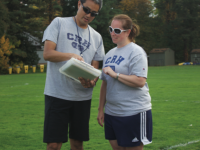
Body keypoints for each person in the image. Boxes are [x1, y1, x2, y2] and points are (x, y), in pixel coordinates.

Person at [42, 0, 104, 149]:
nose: (88, 15)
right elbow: (47, 53)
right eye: (86, 9)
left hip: (82, 97)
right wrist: (70, 56)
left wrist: (92, 82)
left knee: (77, 144)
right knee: (53, 145)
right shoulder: (59, 23)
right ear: (78, 4)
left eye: (93, 13)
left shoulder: (97, 37)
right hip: (57, 94)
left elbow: (95, 68)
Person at [97, 14, 152, 150]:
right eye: (111, 29)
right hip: (112, 113)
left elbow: (140, 81)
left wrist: (116, 75)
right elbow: (105, 83)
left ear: (127, 32)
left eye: (117, 31)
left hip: (134, 112)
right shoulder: (109, 54)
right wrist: (100, 110)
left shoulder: (137, 52)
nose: (112, 33)